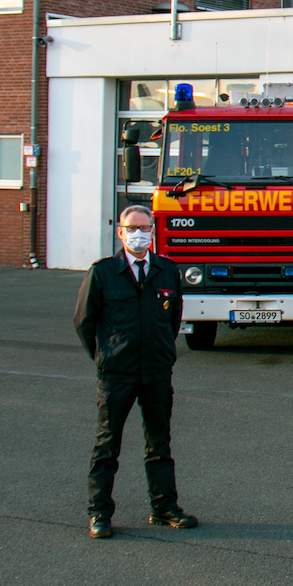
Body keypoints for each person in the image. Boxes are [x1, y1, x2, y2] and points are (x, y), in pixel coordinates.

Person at [73, 204, 197, 540]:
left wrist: (163, 351)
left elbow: (172, 319)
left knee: (159, 443)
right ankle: (100, 513)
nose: (138, 234)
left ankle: (164, 507)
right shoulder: (102, 273)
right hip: (118, 374)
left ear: (153, 233)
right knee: (107, 445)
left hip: (156, 372)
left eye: (145, 228)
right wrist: (105, 356)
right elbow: (84, 322)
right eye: (132, 228)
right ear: (120, 232)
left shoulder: (166, 271)